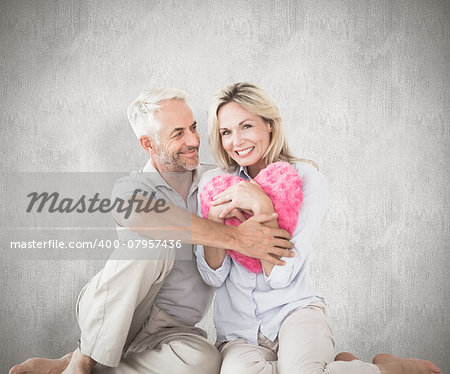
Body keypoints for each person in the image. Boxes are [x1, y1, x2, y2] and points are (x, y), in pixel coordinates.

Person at [9, 88, 295, 374]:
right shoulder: (131, 187)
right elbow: (141, 215)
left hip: (172, 328)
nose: (194, 140)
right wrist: (236, 238)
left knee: (205, 361)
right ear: (148, 144)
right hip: (117, 313)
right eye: (178, 133)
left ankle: (74, 365)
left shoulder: (216, 181)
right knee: (154, 241)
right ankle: (82, 361)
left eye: (193, 128)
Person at [195, 82, 442, 374]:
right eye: (226, 132)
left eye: (246, 126)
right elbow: (213, 276)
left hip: (294, 312)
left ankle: (391, 370)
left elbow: (281, 276)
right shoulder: (214, 184)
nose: (236, 141)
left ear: (270, 125)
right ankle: (345, 366)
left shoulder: (305, 178)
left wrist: (263, 207)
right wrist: (213, 222)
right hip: (238, 331)